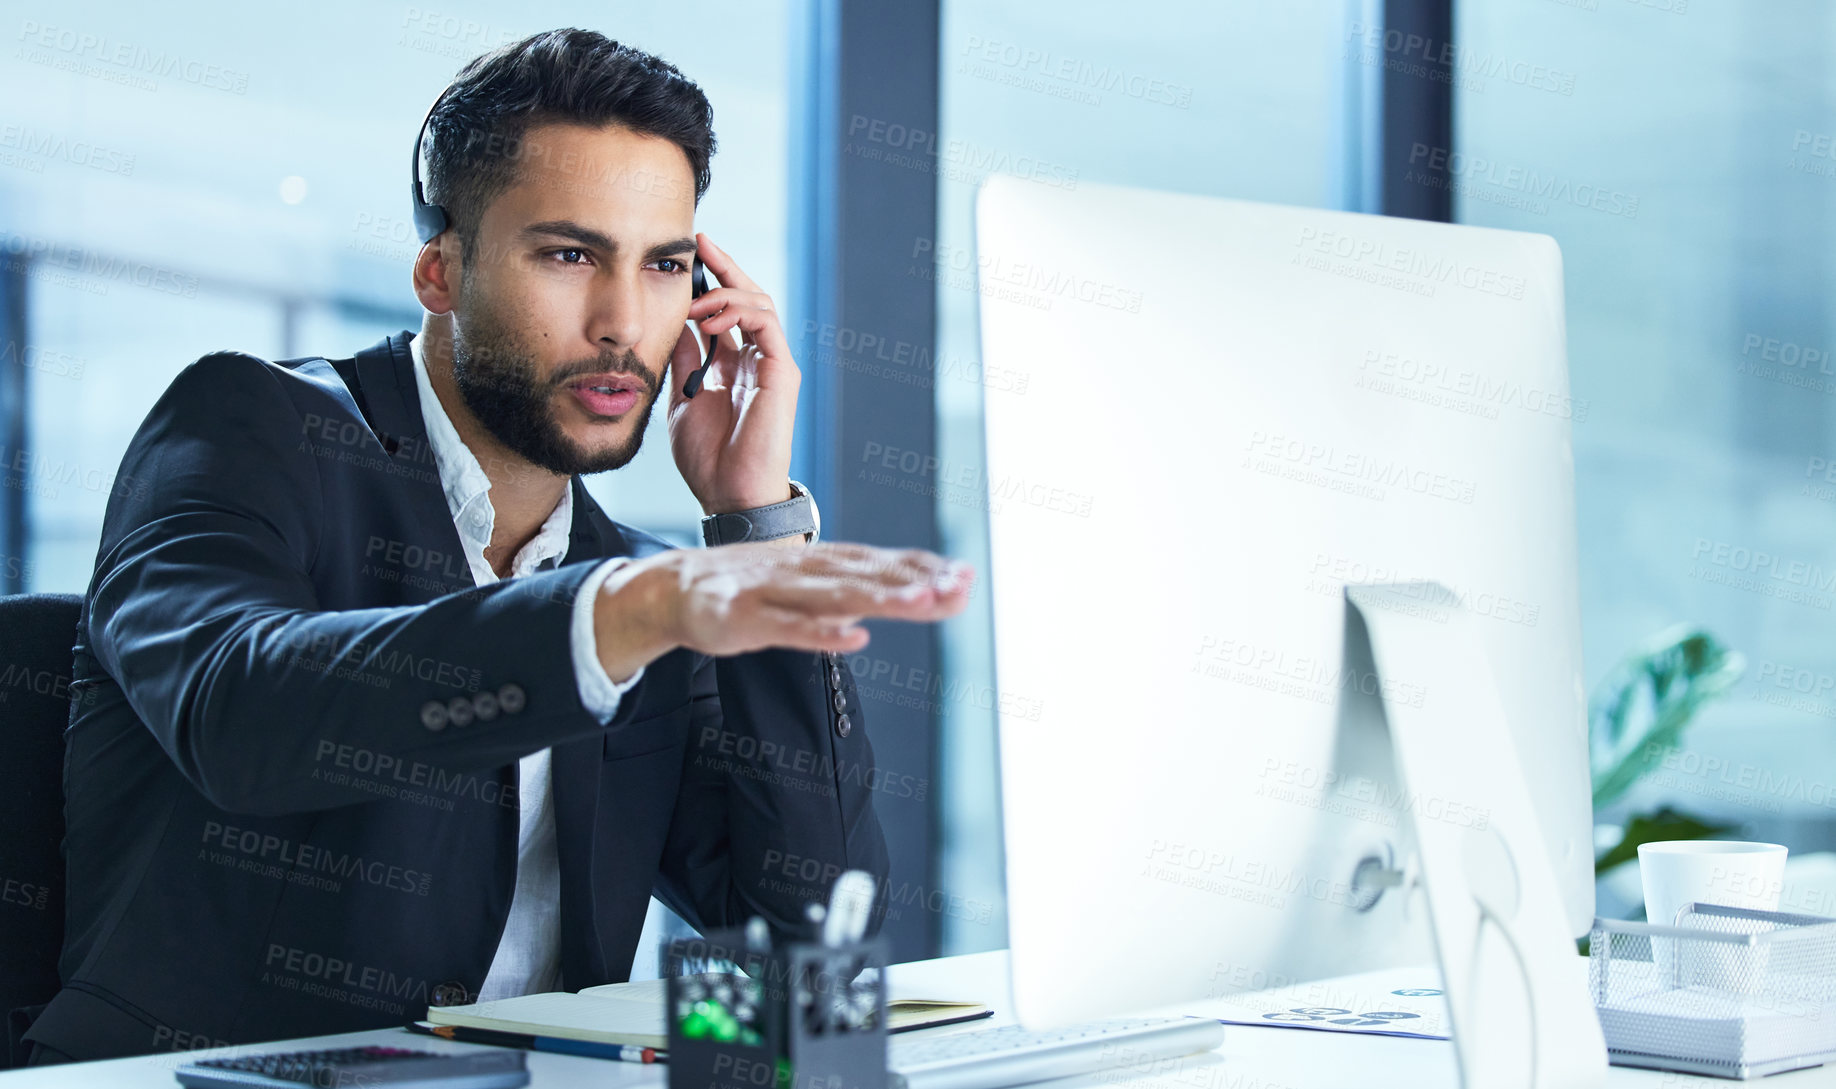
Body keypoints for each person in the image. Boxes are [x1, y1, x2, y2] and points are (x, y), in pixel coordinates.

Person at [18, 27, 970, 1065]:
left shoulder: (642, 581)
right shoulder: (249, 428)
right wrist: (620, 617)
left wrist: (755, 528)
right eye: (570, 255)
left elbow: (814, 949)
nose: (620, 322)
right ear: (441, 270)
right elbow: (237, 714)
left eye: (663, 266)